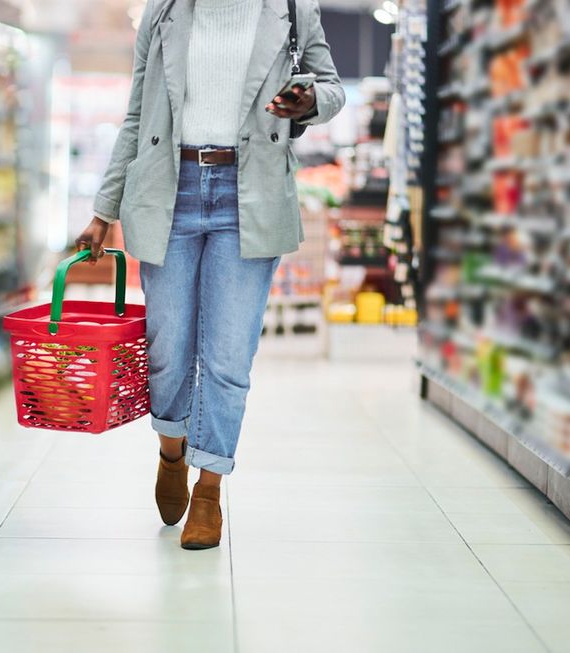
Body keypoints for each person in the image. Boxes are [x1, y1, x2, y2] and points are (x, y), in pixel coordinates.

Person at [75, 0, 344, 550]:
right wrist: (104, 209)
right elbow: (136, 115)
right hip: (167, 190)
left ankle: (210, 491)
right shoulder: (165, 9)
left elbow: (333, 85)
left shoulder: (293, 8)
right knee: (169, 345)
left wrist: (309, 99)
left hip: (249, 194)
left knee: (226, 357)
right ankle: (171, 451)